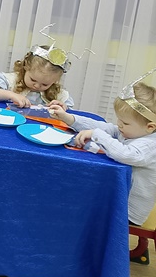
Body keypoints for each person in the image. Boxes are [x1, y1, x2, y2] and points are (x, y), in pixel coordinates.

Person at [50, 76, 156, 228]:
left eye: (125, 123)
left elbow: (125, 154)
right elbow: (107, 128)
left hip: (128, 211)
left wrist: (96, 134)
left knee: (75, 205)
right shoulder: (134, 132)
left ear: (150, 127)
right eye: (119, 120)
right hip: (117, 199)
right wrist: (69, 118)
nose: (119, 125)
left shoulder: (150, 145)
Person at [0, 44, 74, 109]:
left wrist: (62, 107)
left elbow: (69, 111)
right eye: (33, 80)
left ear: (55, 80)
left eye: (45, 84)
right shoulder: (9, 80)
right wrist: (11, 95)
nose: (37, 86)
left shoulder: (58, 93)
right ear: (26, 66)